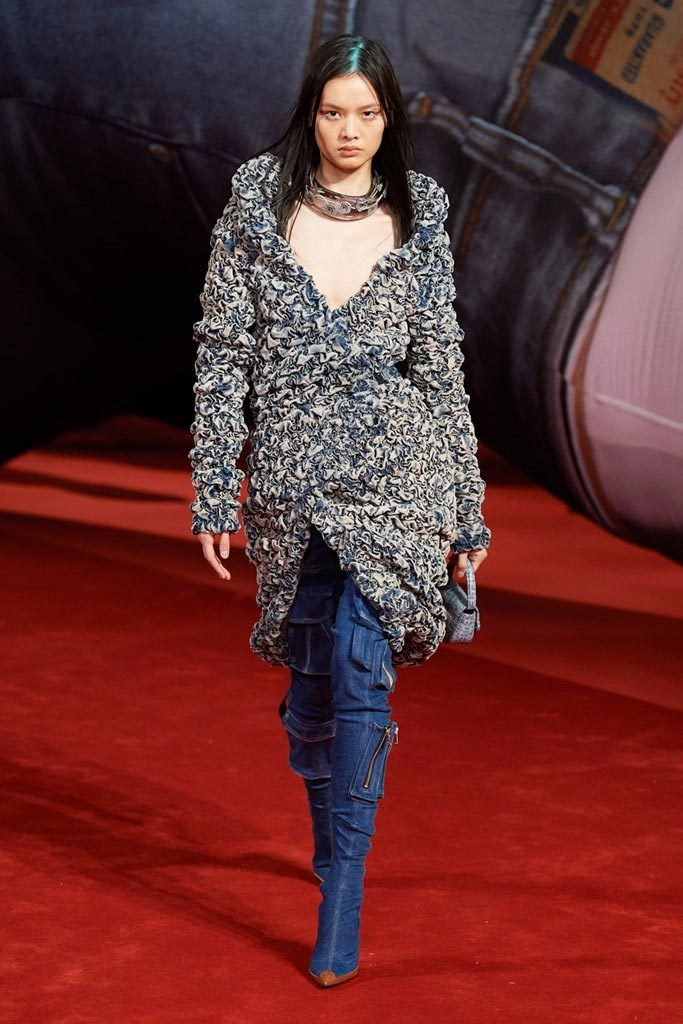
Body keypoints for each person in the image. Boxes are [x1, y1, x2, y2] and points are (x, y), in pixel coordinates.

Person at [188, 34, 492, 987]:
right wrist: (214, 484)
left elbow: (439, 368)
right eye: (332, 112)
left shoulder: (421, 211)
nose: (349, 130)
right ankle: (329, 844)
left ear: (387, 117)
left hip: (396, 478)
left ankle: (344, 896)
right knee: (314, 693)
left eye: (366, 112)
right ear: (309, 114)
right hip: (290, 483)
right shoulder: (255, 205)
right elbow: (221, 353)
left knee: (363, 676)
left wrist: (463, 512)